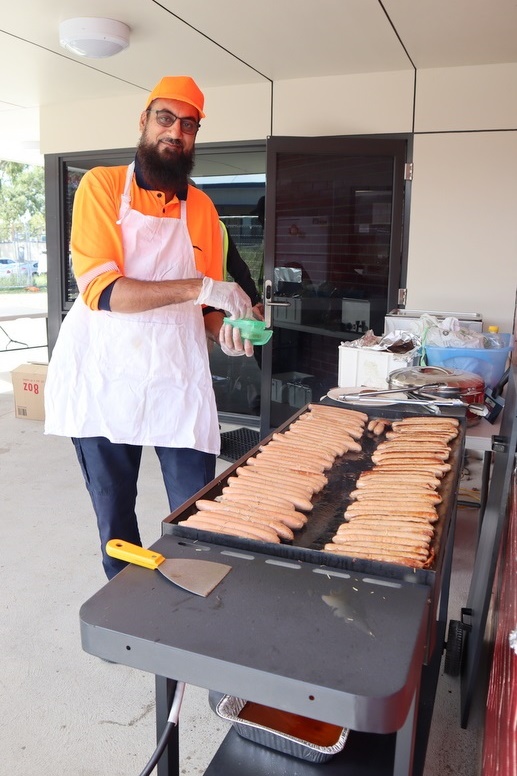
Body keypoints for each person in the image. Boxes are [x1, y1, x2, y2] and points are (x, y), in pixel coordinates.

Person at [44, 75, 255, 579]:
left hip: (176, 378)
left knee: (197, 507)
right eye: (165, 118)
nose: (175, 133)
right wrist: (202, 291)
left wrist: (223, 326)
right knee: (115, 510)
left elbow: (208, 304)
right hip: (104, 375)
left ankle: (190, 609)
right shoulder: (100, 187)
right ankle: (128, 611)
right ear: (144, 121)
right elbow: (105, 292)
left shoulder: (202, 208)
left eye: (189, 125)